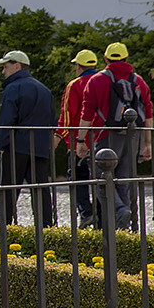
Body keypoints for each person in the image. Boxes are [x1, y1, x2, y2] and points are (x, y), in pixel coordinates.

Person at [79, 42, 154, 231]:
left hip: (106, 137)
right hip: (132, 137)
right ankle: (127, 229)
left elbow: (86, 113)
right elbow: (148, 112)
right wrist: (147, 144)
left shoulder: (96, 80)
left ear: (105, 59)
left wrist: (81, 140)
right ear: (127, 59)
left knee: (101, 180)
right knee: (125, 181)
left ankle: (119, 211)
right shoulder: (138, 81)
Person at [0, 50, 55, 226]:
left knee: (8, 191)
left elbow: (6, 121)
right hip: (40, 147)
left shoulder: (12, 88)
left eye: (5, 67)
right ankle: (46, 229)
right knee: (41, 190)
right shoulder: (44, 90)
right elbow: (51, 120)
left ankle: (2, 228)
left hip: (16, 147)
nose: (3, 72)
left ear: (17, 66)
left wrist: (2, 145)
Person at [53, 49, 100, 228]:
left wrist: (58, 135)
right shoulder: (103, 81)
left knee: (77, 178)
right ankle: (101, 216)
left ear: (79, 66)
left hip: (79, 142)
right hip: (102, 141)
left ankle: (86, 212)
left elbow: (66, 115)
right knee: (99, 178)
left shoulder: (75, 85)